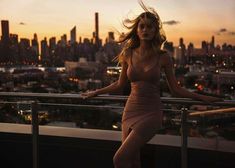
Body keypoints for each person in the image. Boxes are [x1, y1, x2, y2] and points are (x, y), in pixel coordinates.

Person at [82, 1, 221, 168]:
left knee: (119, 159)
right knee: (133, 160)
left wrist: (202, 97)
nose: (145, 30)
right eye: (142, 27)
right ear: (137, 30)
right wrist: (96, 92)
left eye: (150, 27)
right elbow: (119, 85)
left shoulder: (164, 57)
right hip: (130, 110)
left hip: (151, 113)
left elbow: (175, 89)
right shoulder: (128, 53)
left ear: (155, 31)